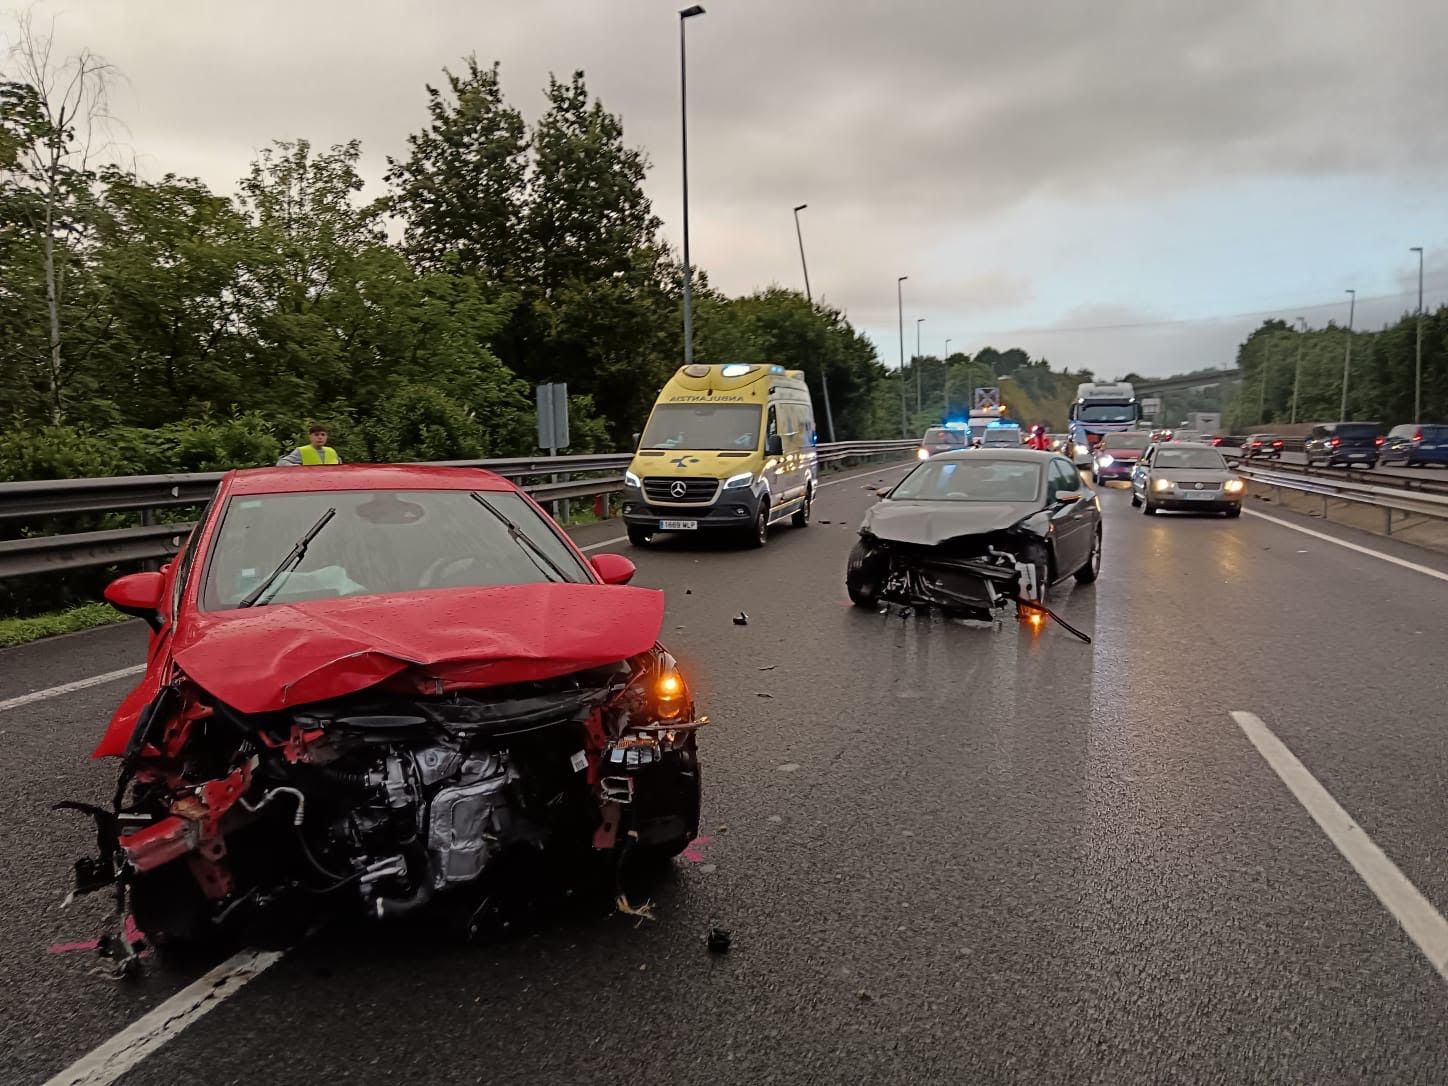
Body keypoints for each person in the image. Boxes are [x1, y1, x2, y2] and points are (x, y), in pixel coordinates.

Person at [278, 425, 342, 466]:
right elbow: (281, 463)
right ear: (310, 437)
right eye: (316, 435)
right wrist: (295, 467)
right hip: (310, 483)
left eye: (323, 435)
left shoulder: (331, 451)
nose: (320, 437)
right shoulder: (301, 451)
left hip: (330, 484)